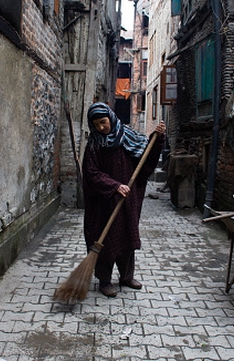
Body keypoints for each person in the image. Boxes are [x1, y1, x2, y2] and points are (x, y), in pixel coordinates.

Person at [82, 102, 166, 297]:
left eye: (103, 122)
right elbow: (91, 173)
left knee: (127, 235)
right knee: (104, 239)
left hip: (127, 200)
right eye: (97, 125)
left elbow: (146, 158)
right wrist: (113, 186)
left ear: (110, 118)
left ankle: (126, 277)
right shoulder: (94, 145)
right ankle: (104, 281)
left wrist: (158, 138)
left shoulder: (128, 136)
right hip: (104, 202)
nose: (102, 127)